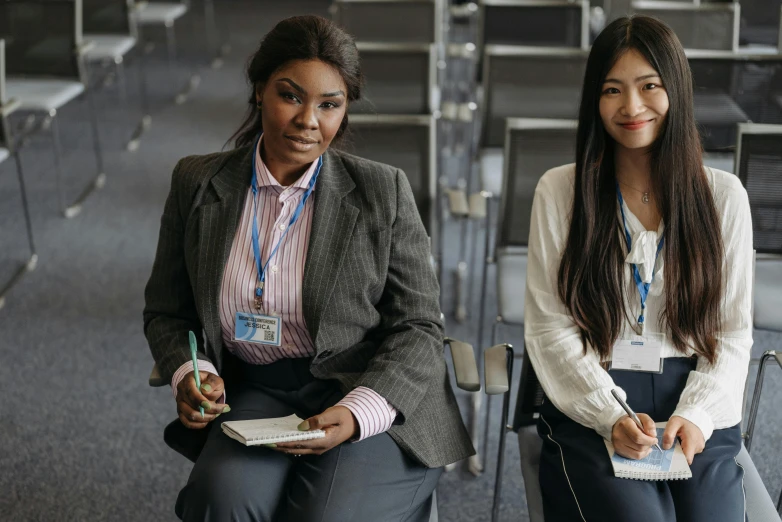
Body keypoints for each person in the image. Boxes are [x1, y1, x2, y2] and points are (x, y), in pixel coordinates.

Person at [143, 15, 473, 522]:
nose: (307, 121)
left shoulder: (382, 191)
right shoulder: (197, 182)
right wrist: (193, 371)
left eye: (329, 105)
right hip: (257, 389)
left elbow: (420, 326)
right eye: (291, 96)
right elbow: (168, 310)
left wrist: (357, 412)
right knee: (220, 504)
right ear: (259, 91)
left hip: (364, 385)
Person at [524, 15, 753, 522]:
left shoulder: (723, 197)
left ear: (676, 89)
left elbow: (732, 333)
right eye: (612, 90)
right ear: (594, 99)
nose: (631, 107)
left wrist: (695, 414)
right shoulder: (561, 191)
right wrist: (610, 416)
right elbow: (549, 329)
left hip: (695, 393)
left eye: (649, 86)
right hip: (593, 391)